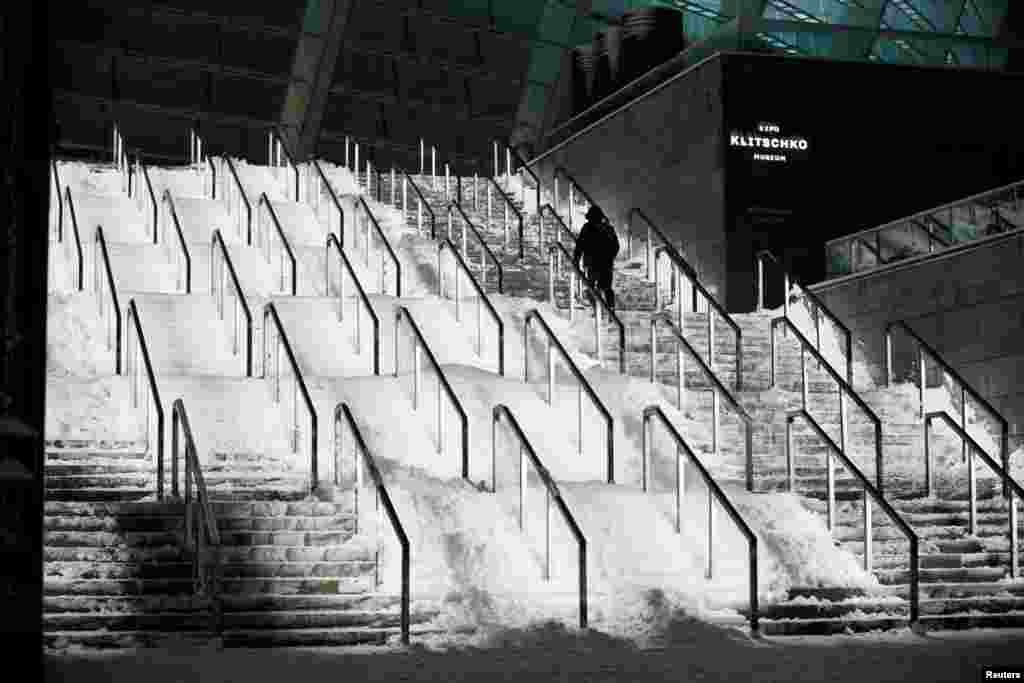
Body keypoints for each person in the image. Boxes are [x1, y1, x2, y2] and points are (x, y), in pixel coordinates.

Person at [572, 205, 619, 308]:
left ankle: (600, 309)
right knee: (605, 288)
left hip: (594, 263)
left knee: (595, 287)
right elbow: (616, 246)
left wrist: (576, 259)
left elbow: (579, 245)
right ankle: (609, 310)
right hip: (602, 263)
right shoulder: (608, 228)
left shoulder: (588, 228)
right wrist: (610, 257)